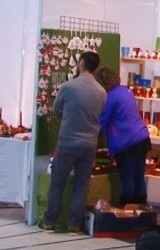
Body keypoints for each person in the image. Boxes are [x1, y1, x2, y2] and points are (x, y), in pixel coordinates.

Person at [40, 51, 106, 233]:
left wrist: (69, 117)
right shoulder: (101, 92)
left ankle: (50, 221)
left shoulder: (68, 87)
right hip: (89, 144)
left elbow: (56, 109)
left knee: (57, 183)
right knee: (81, 186)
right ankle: (75, 224)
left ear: (81, 63)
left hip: (68, 141)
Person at [94, 66, 151, 206]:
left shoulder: (110, 98)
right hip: (142, 137)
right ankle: (142, 209)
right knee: (138, 177)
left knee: (127, 178)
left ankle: (128, 209)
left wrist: (88, 135)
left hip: (126, 142)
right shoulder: (126, 91)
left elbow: (101, 122)